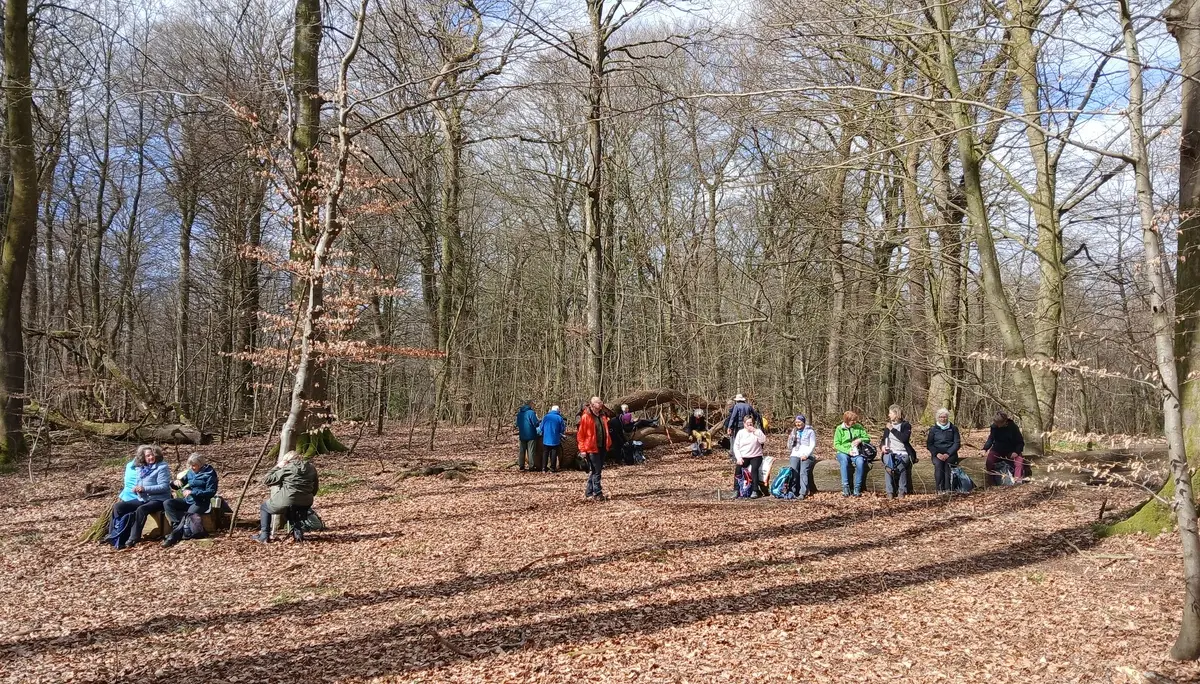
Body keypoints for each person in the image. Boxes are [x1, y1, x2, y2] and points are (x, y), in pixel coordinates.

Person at [109, 445, 171, 548]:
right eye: (147, 456)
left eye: (152, 455)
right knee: (118, 507)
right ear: (143, 458)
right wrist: (136, 488)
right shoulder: (141, 468)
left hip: (159, 499)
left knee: (141, 509)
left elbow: (164, 487)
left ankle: (133, 538)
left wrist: (144, 488)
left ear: (157, 455)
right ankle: (115, 535)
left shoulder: (162, 467)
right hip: (143, 498)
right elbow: (139, 484)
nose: (150, 458)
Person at [252, 450, 319, 543]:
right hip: (306, 501)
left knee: (264, 507)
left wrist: (277, 467)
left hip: (288, 500)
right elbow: (315, 488)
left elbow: (266, 480)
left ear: (287, 460)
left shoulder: (287, 468)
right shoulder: (311, 468)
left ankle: (264, 535)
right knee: (293, 510)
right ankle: (298, 534)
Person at [162, 453, 219, 548]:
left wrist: (193, 492)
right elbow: (179, 485)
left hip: (201, 502)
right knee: (168, 503)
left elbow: (211, 492)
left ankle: (173, 536)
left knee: (188, 514)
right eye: (191, 465)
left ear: (200, 465)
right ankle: (177, 528)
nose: (192, 467)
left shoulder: (209, 474)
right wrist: (174, 482)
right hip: (188, 500)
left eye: (194, 465)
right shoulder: (190, 472)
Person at [577, 396, 612, 500]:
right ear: (592, 405)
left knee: (596, 470)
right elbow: (581, 435)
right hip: (591, 447)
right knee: (597, 471)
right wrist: (582, 450)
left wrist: (608, 442)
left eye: (600, 402)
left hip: (602, 446)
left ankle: (589, 492)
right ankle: (597, 493)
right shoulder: (586, 417)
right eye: (598, 402)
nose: (601, 404)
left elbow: (605, 430)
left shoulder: (602, 416)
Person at [880, 405, 916, 499]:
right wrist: (883, 447)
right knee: (888, 465)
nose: (889, 415)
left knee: (901, 466)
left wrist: (892, 429)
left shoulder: (905, 425)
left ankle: (902, 491)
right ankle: (890, 492)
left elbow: (904, 439)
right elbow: (883, 440)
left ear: (896, 414)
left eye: (890, 413)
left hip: (903, 452)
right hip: (890, 452)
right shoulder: (887, 426)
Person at [833, 410, 871, 497]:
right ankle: (845, 487)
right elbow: (836, 444)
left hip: (857, 451)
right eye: (852, 420)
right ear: (846, 420)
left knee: (860, 462)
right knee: (844, 461)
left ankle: (857, 488)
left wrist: (860, 440)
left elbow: (867, 438)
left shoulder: (858, 427)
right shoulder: (839, 429)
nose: (855, 422)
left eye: (855, 420)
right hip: (843, 451)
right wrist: (847, 451)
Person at [983, 410, 1025, 485]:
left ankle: (1018, 481)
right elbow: (991, 439)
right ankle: (992, 482)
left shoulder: (1013, 427)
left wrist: (1016, 452)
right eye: (995, 423)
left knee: (1019, 462)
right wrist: (985, 449)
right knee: (989, 461)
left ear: (1004, 422)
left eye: (998, 423)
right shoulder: (994, 427)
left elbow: (1020, 442)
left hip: (1012, 450)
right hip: (998, 449)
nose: (996, 425)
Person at [926, 408, 962, 495]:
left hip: (950, 453)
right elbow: (929, 444)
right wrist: (936, 454)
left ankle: (948, 489)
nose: (943, 419)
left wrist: (948, 454)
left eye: (945, 417)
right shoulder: (933, 429)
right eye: (941, 417)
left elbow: (957, 443)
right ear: (938, 418)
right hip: (937, 453)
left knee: (948, 465)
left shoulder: (953, 428)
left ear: (947, 417)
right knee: (938, 465)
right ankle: (939, 489)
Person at [732, 414, 767, 498]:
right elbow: (736, 446)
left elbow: (763, 440)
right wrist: (739, 458)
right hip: (744, 456)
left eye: (751, 423)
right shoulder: (741, 433)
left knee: (754, 469)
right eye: (747, 423)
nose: (749, 425)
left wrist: (755, 431)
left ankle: (755, 490)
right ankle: (736, 490)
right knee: (738, 468)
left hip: (756, 455)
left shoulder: (757, 431)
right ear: (744, 424)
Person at [786, 415, 816, 499]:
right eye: (796, 422)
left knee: (803, 471)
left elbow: (812, 445)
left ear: (803, 422)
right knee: (793, 470)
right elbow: (789, 447)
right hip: (795, 453)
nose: (797, 424)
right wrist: (790, 439)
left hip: (807, 455)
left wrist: (806, 455)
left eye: (799, 422)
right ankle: (793, 490)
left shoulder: (810, 431)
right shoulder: (794, 431)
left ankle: (803, 492)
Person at [537, 405, 566, 473]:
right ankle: (552, 468)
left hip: (546, 439)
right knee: (554, 453)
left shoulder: (546, 417)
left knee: (545, 453)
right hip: (555, 439)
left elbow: (541, 428)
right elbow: (562, 429)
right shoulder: (559, 418)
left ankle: (543, 468)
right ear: (558, 410)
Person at [515, 401, 540, 472]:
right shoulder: (531, 413)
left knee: (522, 451)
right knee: (531, 451)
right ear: (530, 405)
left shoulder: (519, 414)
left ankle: (521, 466)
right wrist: (538, 421)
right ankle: (531, 466)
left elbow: (516, 424)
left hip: (522, 435)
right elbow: (535, 423)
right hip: (531, 435)